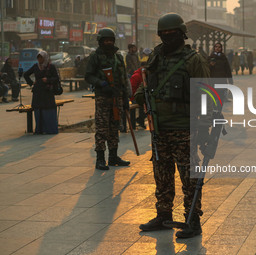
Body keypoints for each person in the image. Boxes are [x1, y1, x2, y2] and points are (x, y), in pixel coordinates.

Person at [135, 12, 211, 238]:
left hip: (185, 128)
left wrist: (205, 129)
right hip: (159, 128)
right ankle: (163, 215)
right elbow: (146, 82)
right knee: (162, 174)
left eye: (173, 33)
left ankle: (193, 219)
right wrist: (140, 94)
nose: (168, 37)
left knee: (189, 176)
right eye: (164, 34)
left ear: (182, 35)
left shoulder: (193, 60)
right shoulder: (156, 57)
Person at [85, 28, 130, 170]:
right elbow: (88, 76)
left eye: (110, 40)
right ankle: (100, 158)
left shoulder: (118, 57)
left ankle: (113, 156)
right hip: (103, 97)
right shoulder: (95, 57)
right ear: (100, 41)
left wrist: (125, 98)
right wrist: (101, 83)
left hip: (117, 97)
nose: (108, 42)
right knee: (102, 128)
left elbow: (123, 79)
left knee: (114, 127)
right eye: (106, 40)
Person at [24, 51, 59, 134]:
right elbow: (26, 74)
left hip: (47, 93)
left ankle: (50, 130)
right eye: (38, 58)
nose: (40, 59)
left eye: (41, 58)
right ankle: (39, 130)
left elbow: (56, 79)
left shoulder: (51, 67)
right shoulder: (36, 66)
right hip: (38, 92)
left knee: (48, 111)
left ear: (45, 58)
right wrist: (31, 82)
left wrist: (48, 80)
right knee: (38, 110)